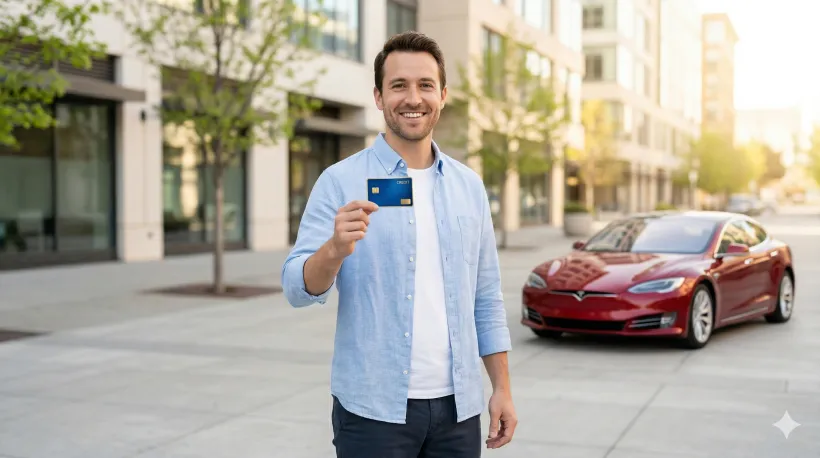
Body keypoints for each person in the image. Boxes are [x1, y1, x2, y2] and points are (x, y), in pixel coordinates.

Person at [281, 31, 516, 458]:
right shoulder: (340, 181)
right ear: (378, 96)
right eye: (398, 86)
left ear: (442, 95)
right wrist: (333, 250)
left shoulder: (469, 187)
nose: (413, 97)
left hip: (459, 410)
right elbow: (297, 288)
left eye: (425, 85)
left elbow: (486, 297)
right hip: (373, 410)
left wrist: (501, 387)